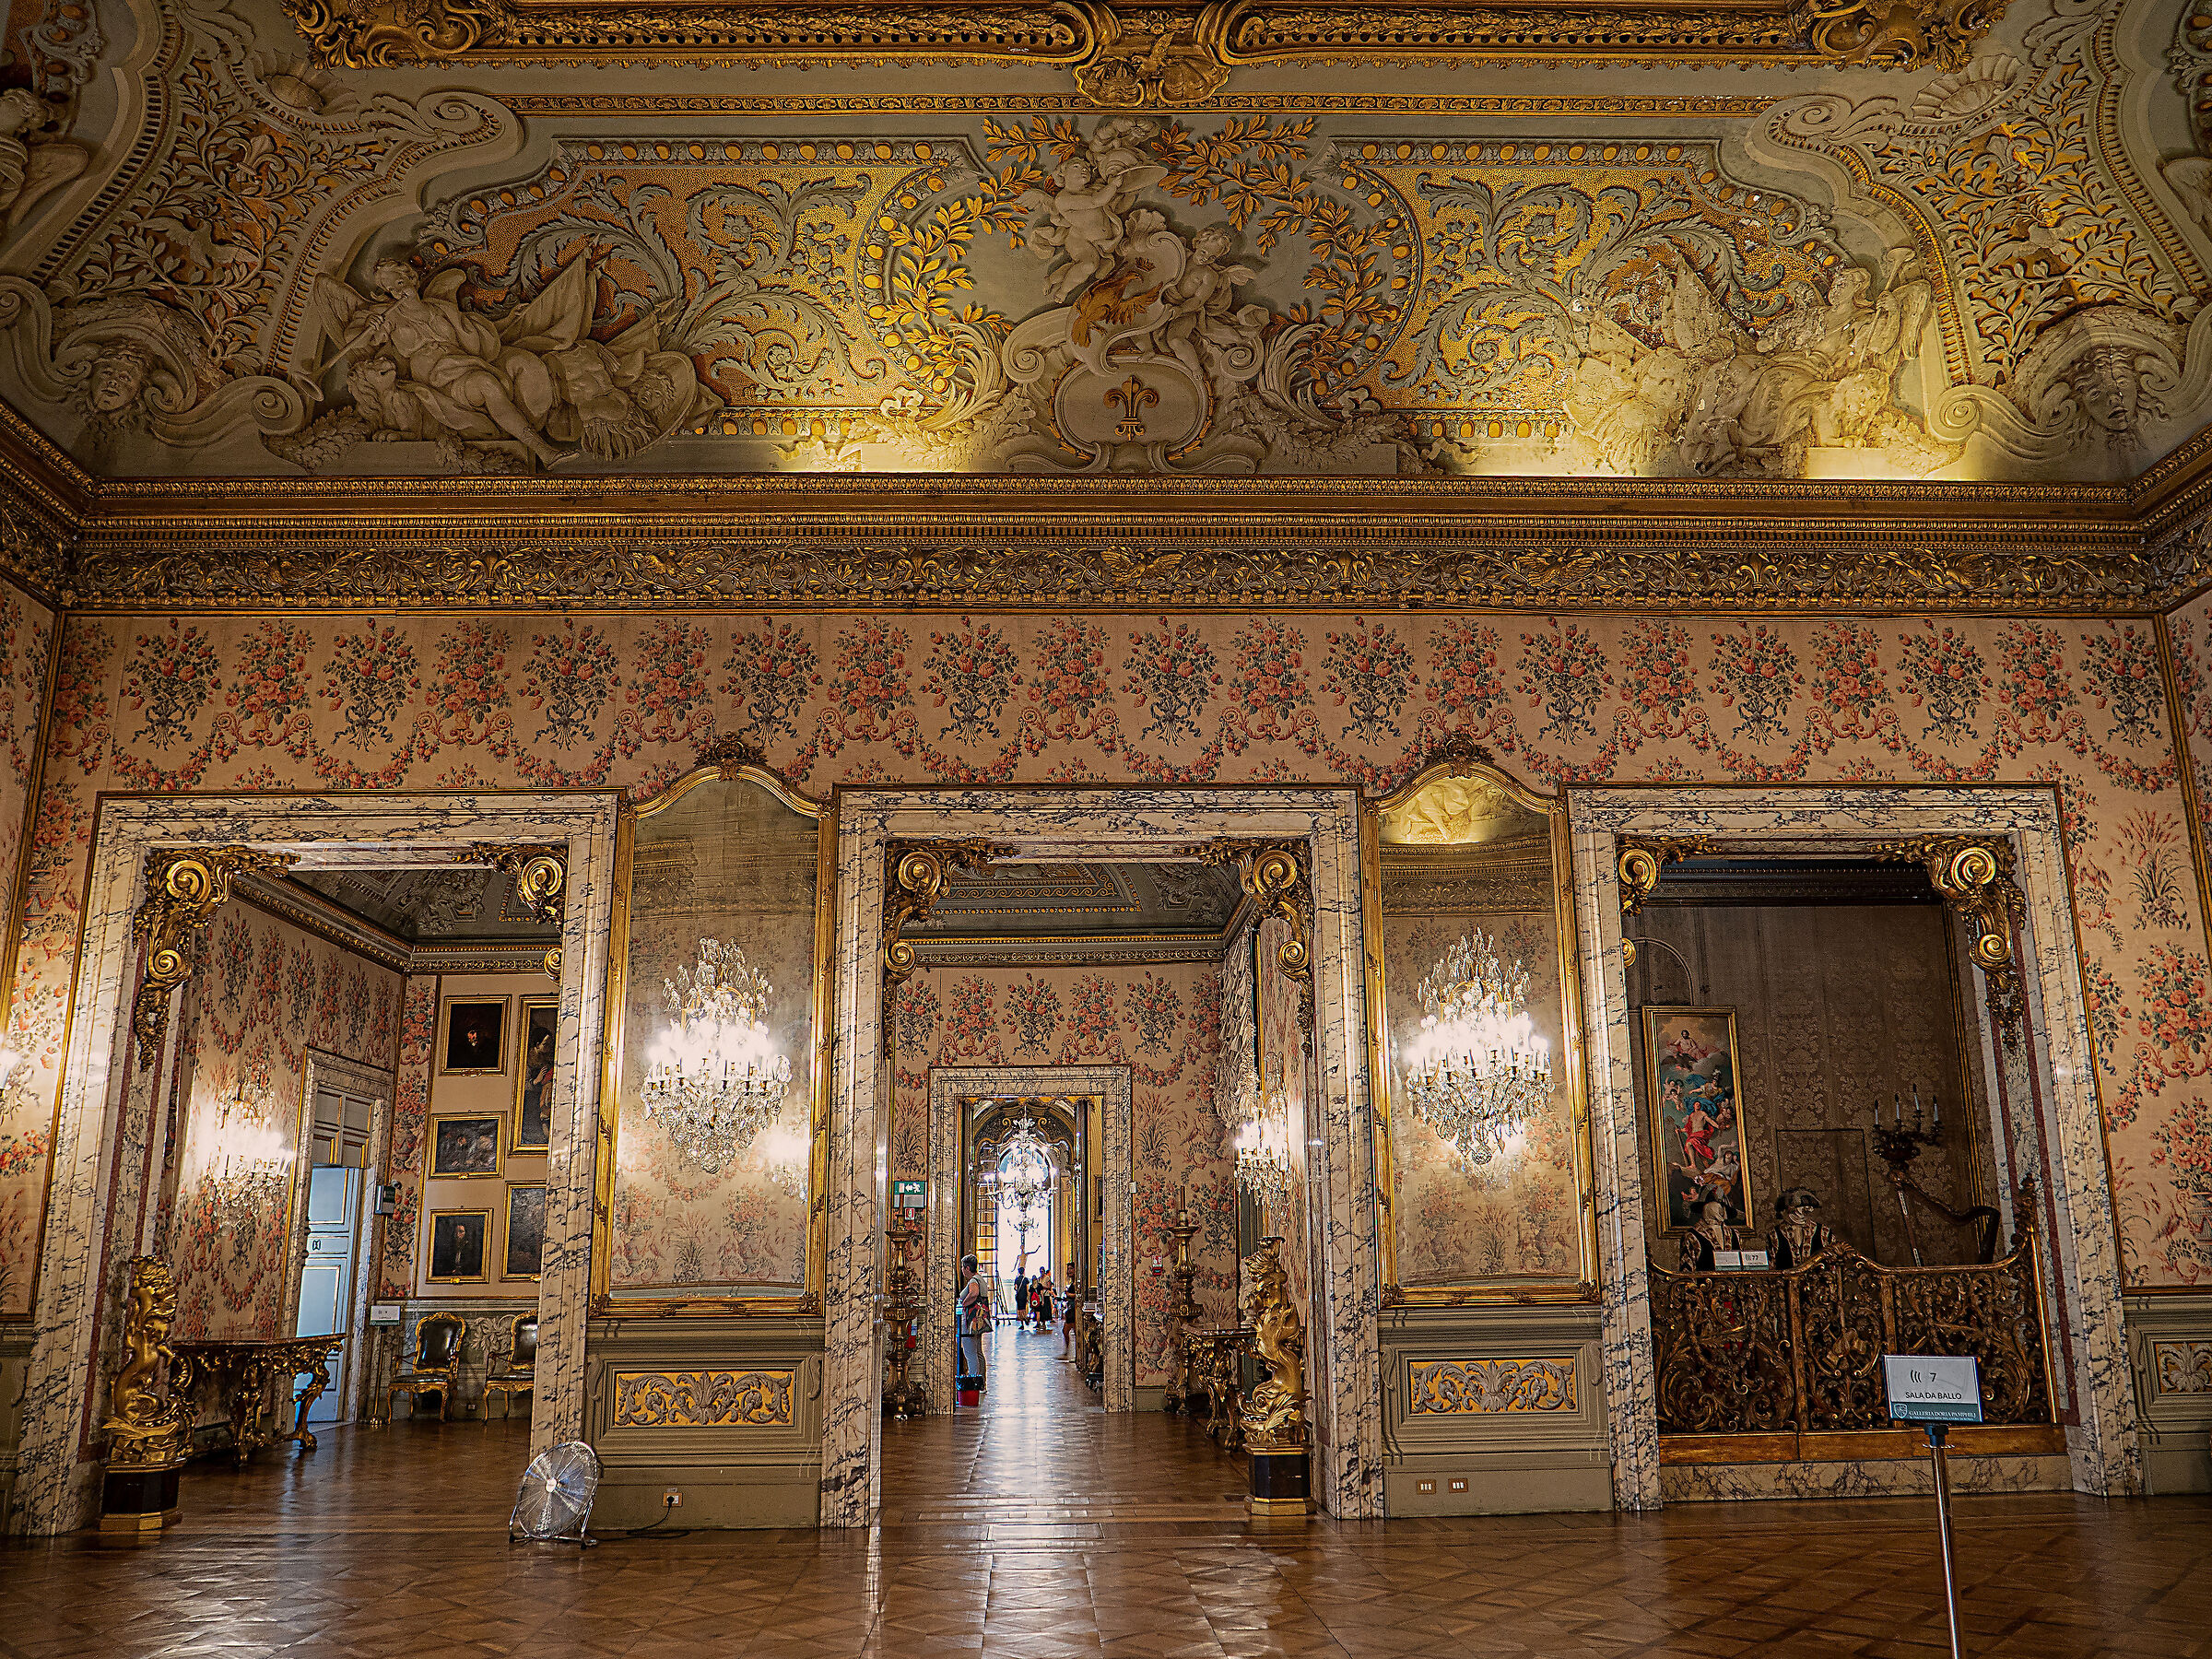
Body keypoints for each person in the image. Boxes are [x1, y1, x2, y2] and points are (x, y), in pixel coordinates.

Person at [1678, 1198, 1740, 1273]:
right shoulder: (1691, 1235)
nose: (1720, 1211)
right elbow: (1686, 1267)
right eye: (1716, 1208)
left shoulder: (1733, 1233)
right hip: (1705, 1282)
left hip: (1732, 1282)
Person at [958, 1254, 989, 1392]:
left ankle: (974, 1384)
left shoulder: (973, 1281)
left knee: (970, 1353)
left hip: (971, 1320)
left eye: (962, 1268)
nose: (962, 1271)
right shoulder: (980, 1279)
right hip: (980, 1319)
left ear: (967, 1268)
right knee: (978, 1352)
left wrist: (963, 1304)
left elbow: (974, 1293)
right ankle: (981, 1383)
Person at [1059, 1259, 1080, 1358]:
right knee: (1066, 1331)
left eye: (1071, 1268)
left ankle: (1075, 1354)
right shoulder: (1073, 1282)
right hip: (1071, 1310)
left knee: (1071, 1332)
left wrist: (1069, 1294)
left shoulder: (1077, 1282)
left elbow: (1078, 1295)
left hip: (1073, 1310)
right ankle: (1070, 1353)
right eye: (1068, 1269)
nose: (1069, 1271)